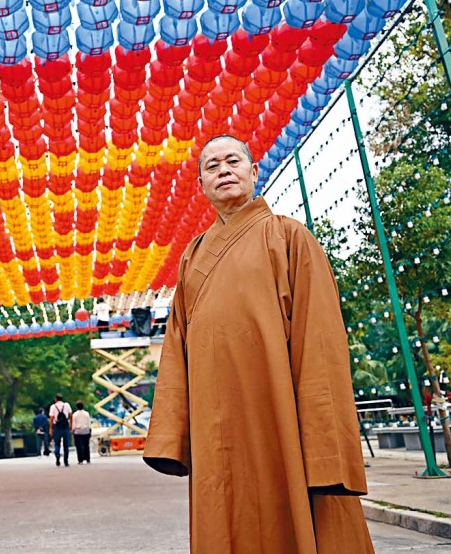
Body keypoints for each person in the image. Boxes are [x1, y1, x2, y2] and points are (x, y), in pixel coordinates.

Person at [142, 135, 375, 554]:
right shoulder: (191, 257)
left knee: (295, 509)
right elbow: (176, 348)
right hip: (214, 420)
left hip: (278, 411)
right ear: (202, 185)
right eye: (212, 167)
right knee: (225, 506)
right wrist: (174, 431)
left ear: (253, 172)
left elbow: (318, 340)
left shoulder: (288, 237)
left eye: (233, 161)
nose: (223, 171)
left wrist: (322, 437)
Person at [49, 394, 73, 467]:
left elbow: (51, 418)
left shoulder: (53, 407)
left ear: (56, 399)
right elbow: (71, 415)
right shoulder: (66, 405)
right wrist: (71, 425)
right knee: (66, 444)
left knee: (57, 443)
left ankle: (57, 456)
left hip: (57, 426)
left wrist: (51, 428)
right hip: (65, 426)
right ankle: (66, 461)